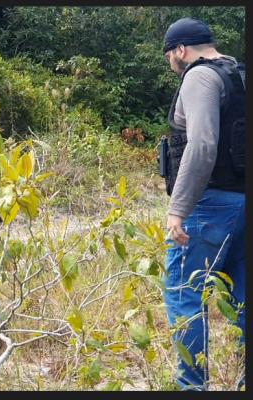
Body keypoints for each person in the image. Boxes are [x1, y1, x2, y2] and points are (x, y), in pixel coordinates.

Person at [160, 18, 245, 391]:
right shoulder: (239, 73)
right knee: (241, 297)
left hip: (209, 206)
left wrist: (178, 208)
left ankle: (192, 387)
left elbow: (202, 144)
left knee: (184, 295)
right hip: (243, 201)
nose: (172, 64)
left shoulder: (199, 76)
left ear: (181, 50)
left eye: (170, 56)